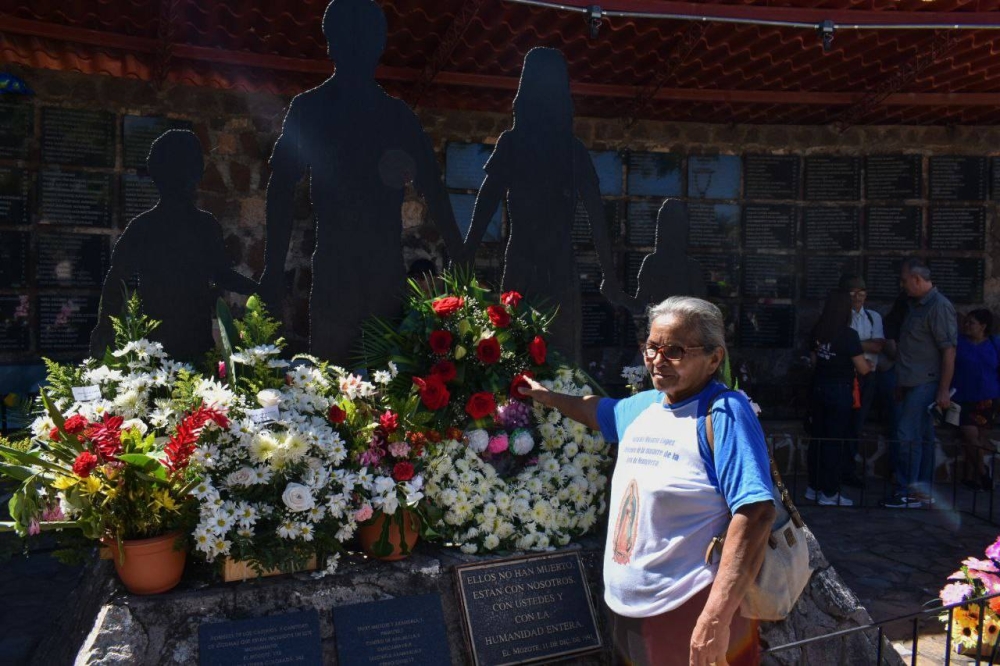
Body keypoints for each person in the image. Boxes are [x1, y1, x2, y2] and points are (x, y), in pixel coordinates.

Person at [518, 296, 775, 666]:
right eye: (651, 347)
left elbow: (755, 515)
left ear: (714, 358)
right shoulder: (646, 406)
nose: (657, 359)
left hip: (691, 611)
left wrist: (715, 619)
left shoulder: (724, 413)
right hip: (629, 612)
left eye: (674, 350)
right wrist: (548, 397)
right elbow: (597, 411)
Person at [260, 0, 463, 365]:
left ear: (378, 45)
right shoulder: (311, 109)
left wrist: (461, 259)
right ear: (331, 45)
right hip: (337, 271)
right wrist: (271, 271)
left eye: (366, 39)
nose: (358, 49)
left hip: (382, 275)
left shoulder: (395, 117)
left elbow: (434, 188)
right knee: (335, 381)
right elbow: (280, 190)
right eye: (349, 39)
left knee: (386, 385)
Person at [458, 47, 625, 362]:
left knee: (517, 351)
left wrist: (468, 250)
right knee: (553, 356)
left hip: (535, 260)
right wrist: (609, 275)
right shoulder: (561, 148)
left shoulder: (518, 143)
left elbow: (487, 201)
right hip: (548, 262)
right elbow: (598, 219)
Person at [90, 130, 257, 361]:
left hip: (195, 339)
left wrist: (258, 289)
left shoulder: (203, 226)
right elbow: (117, 279)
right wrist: (106, 327)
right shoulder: (145, 227)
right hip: (156, 343)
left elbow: (221, 274)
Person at [884, 258, 957, 509]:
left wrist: (944, 389)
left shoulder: (939, 306)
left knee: (907, 435)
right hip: (911, 381)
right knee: (923, 437)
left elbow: (948, 350)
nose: (902, 286)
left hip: (926, 383)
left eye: (904, 281)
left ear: (917, 279)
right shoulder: (916, 306)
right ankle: (922, 490)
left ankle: (909, 490)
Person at [806, 290, 872, 506]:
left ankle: (813, 487)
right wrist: (870, 365)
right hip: (839, 392)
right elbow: (862, 368)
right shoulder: (848, 335)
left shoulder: (819, 331)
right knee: (834, 443)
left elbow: (815, 360)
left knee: (817, 440)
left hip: (818, 389)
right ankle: (830, 492)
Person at [841, 274, 885, 486]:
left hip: (866, 377)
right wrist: (859, 346)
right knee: (842, 424)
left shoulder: (873, 317)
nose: (857, 296)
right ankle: (840, 469)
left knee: (857, 424)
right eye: (853, 291)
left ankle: (849, 469)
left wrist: (852, 344)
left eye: (862, 291)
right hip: (846, 376)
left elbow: (877, 346)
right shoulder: (841, 316)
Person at [951, 309, 1000, 491]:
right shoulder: (958, 343)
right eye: (966, 322)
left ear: (983, 326)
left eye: (971, 323)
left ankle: (971, 476)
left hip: (988, 398)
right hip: (962, 397)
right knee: (969, 435)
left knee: (978, 438)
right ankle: (983, 473)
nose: (966, 326)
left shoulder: (995, 344)